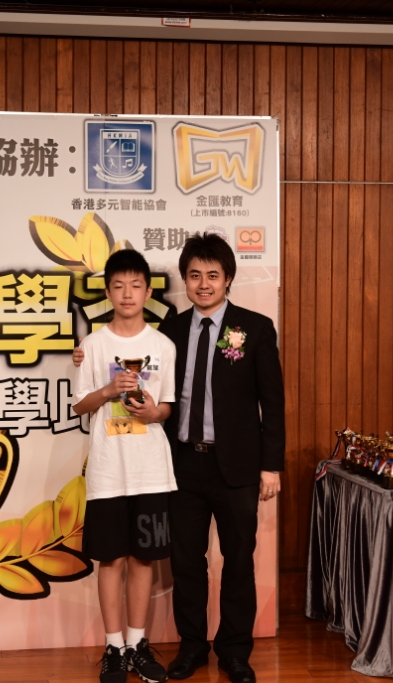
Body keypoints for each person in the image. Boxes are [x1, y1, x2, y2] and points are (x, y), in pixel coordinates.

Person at [75, 234, 285, 683]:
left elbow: (272, 401)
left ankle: (235, 651)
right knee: (187, 562)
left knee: (238, 560)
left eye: (213, 275)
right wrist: (83, 354)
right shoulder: (169, 332)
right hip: (182, 464)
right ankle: (192, 648)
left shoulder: (255, 328)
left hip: (237, 467)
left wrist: (271, 466)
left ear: (228, 279)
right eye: (194, 276)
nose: (203, 284)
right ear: (185, 281)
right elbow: (123, 351)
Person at [73, 248, 178, 683]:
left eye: (136, 285)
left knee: (142, 560)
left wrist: (152, 412)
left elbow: (167, 408)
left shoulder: (163, 346)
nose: (127, 293)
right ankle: (113, 647)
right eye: (119, 286)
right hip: (107, 472)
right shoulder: (92, 345)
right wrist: (107, 390)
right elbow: (80, 406)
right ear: (108, 292)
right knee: (111, 560)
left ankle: (137, 644)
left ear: (148, 292)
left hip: (150, 470)